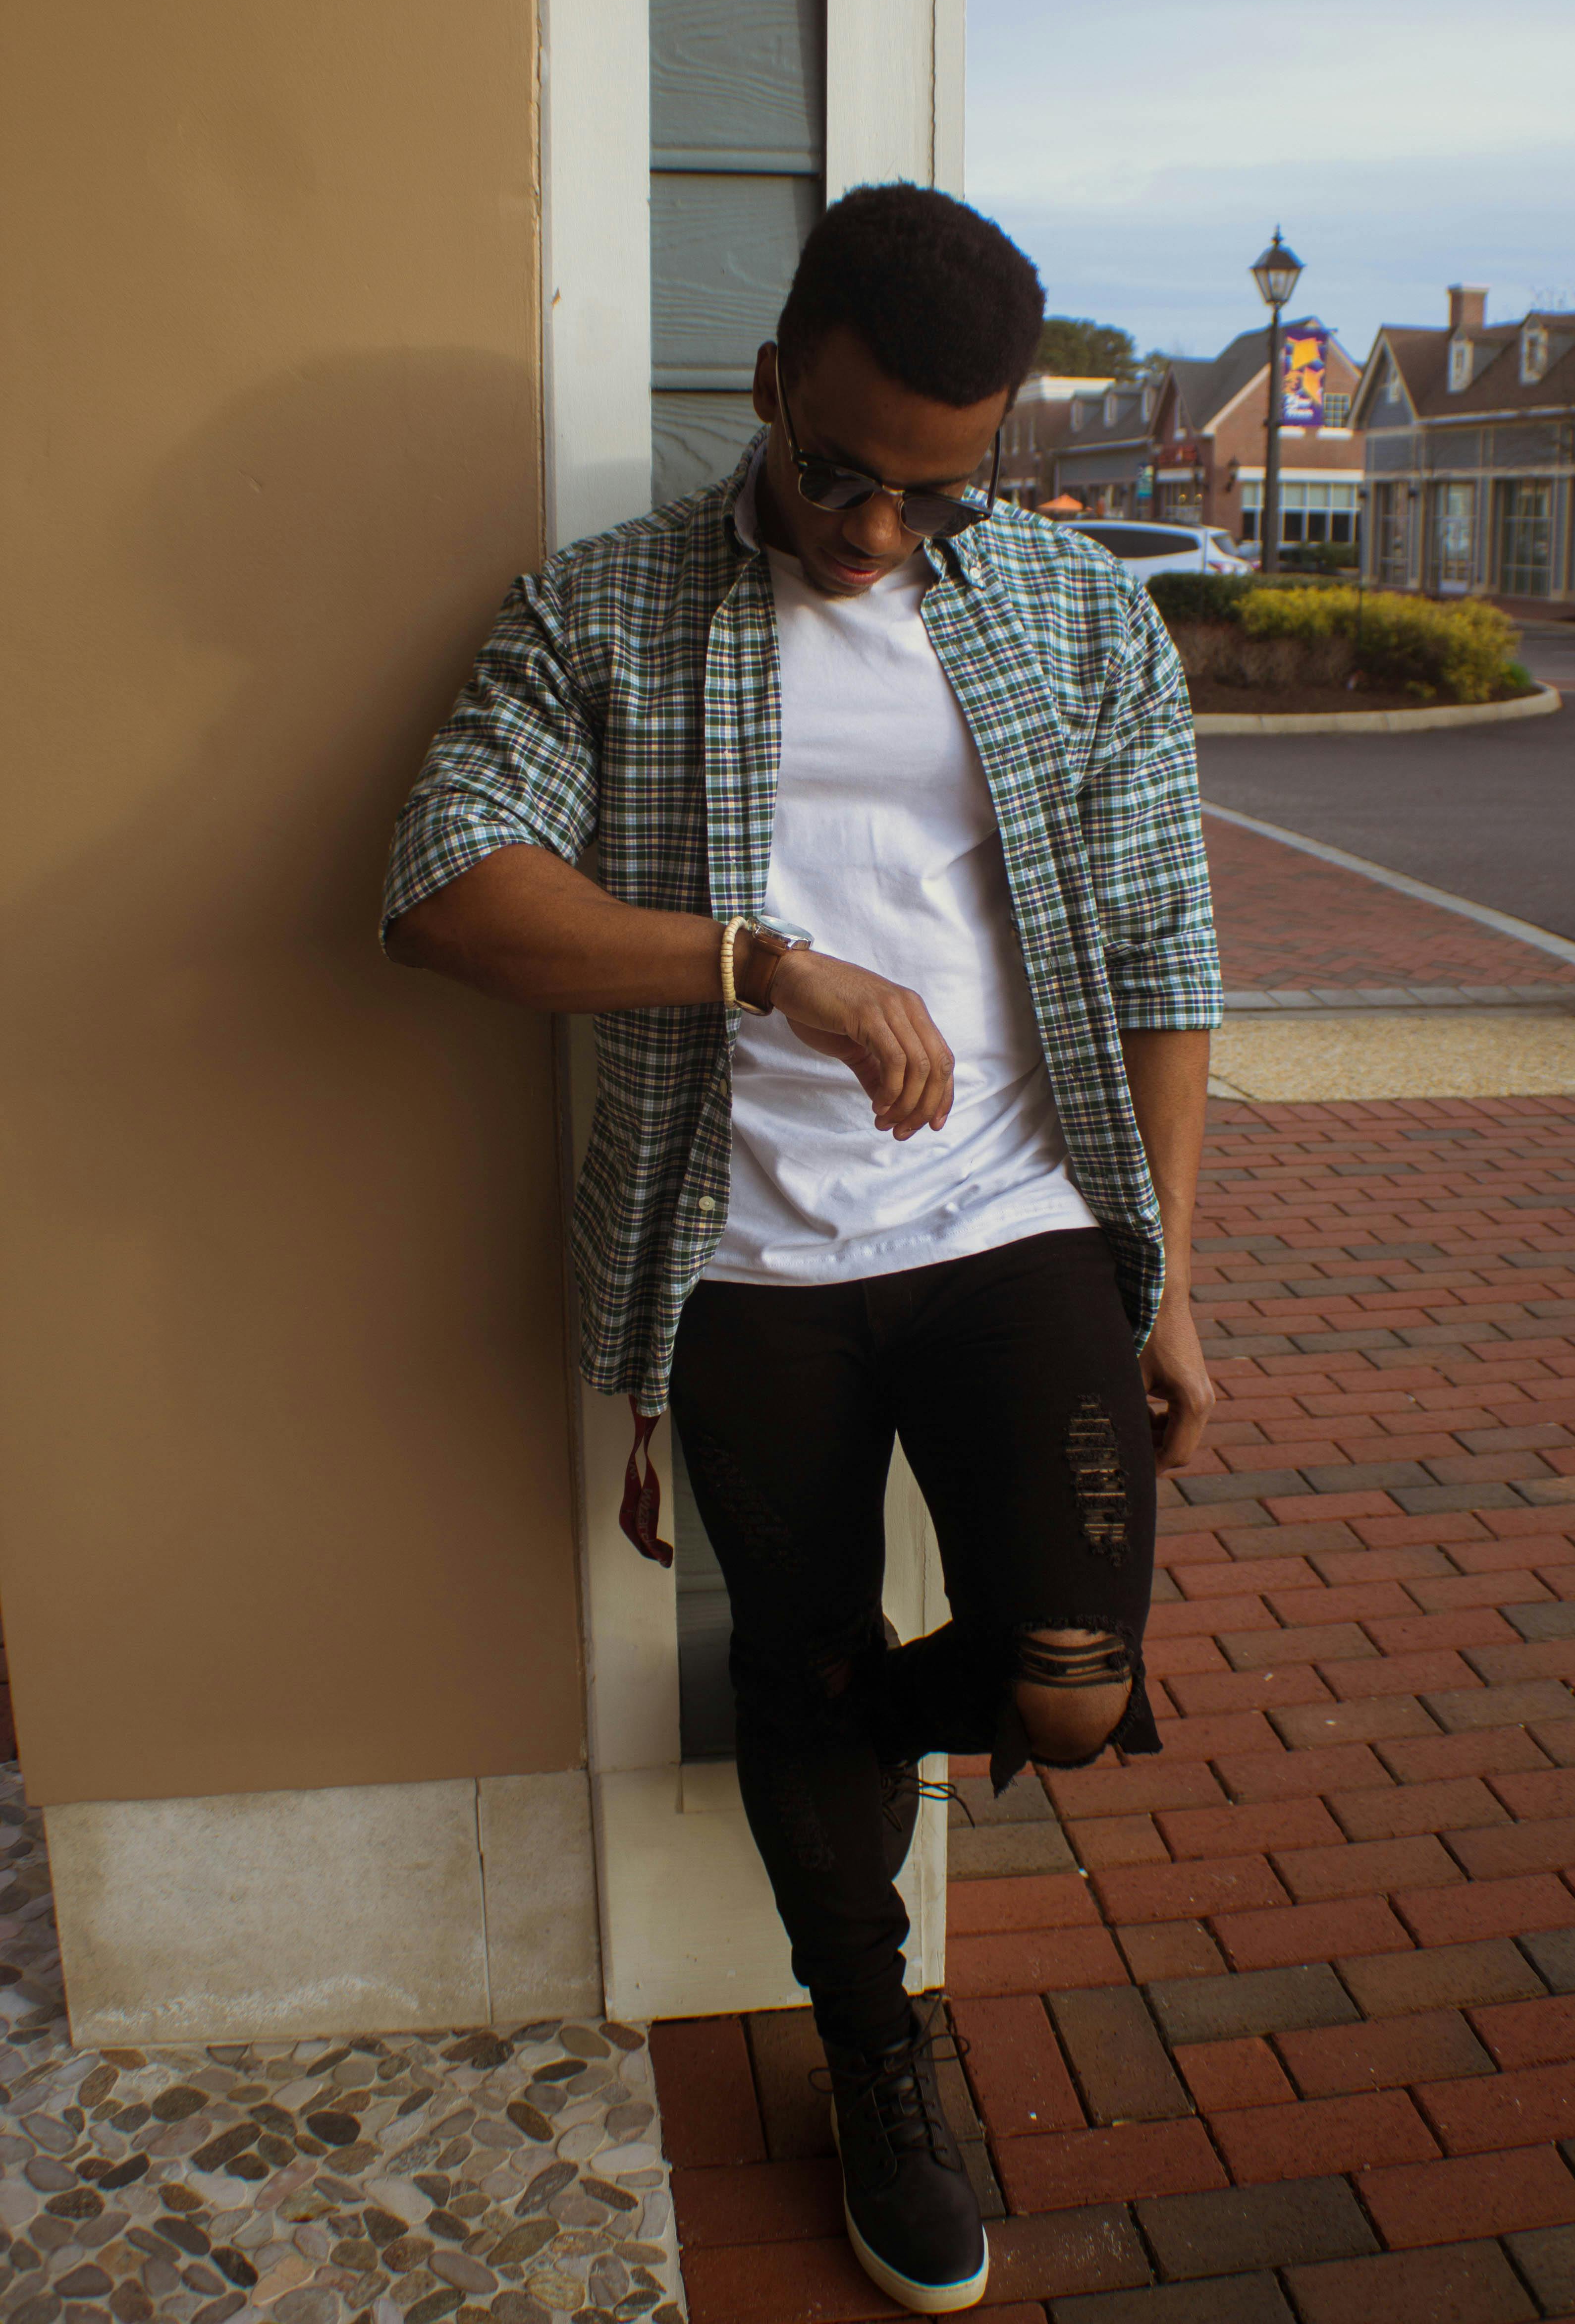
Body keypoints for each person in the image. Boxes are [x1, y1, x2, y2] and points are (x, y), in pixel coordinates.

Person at [383, 184, 1220, 2316]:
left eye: (933, 493)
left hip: (1018, 1212)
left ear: (1000, 452)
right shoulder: (607, 611)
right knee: (797, 1647)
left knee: (1068, 1685)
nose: (870, 532)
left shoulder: (1071, 616)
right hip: (740, 1258)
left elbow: (1159, 954)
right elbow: (447, 895)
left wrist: (1175, 1273)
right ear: (769, 386)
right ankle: (878, 2058)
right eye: (837, 471)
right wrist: (768, 967)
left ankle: (827, 1713)